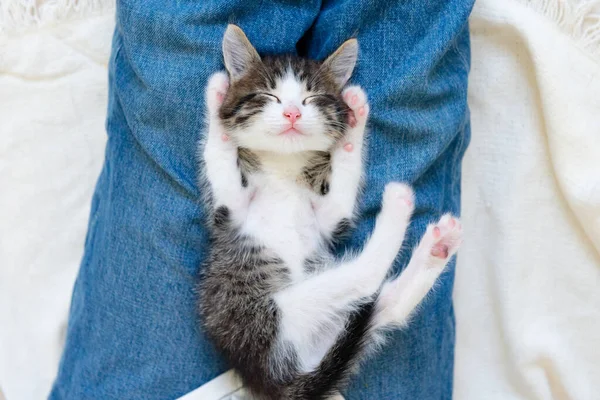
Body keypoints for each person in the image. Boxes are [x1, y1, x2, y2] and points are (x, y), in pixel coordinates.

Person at [50, 1, 474, 398]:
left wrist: (219, 127)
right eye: (273, 101)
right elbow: (335, 212)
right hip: (290, 329)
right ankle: (387, 269)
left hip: (260, 324)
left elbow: (227, 194)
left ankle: (372, 270)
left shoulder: (251, 194)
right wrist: (353, 139)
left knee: (182, 40)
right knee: (404, 73)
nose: (290, 113)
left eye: (303, 104)